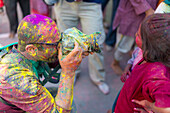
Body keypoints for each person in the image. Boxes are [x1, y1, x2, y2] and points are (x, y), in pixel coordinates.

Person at [0, 14, 89, 112]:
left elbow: (49, 58)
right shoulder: (16, 79)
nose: (59, 47)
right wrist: (68, 72)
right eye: (55, 44)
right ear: (31, 49)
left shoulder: (26, 52)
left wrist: (69, 53)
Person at [44, 0, 110, 95]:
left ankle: (98, 77)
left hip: (91, 4)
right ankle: (72, 73)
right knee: (67, 44)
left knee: (95, 44)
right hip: (64, 4)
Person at [114, 13, 170, 113]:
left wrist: (149, 105)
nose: (135, 34)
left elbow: (166, 109)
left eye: (139, 35)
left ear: (151, 45)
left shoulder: (156, 72)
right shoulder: (148, 55)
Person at [111, 0, 158, 76]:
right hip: (132, 12)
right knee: (125, 43)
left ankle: (133, 60)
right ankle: (115, 62)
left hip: (149, 12)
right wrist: (148, 10)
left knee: (139, 44)